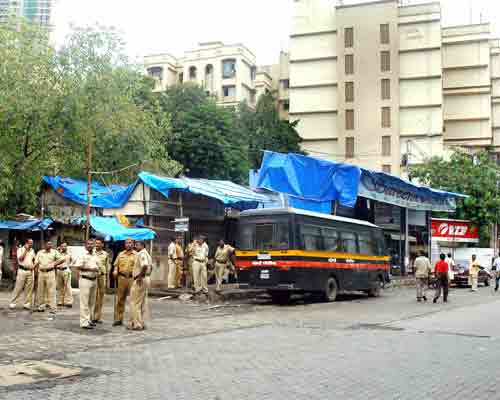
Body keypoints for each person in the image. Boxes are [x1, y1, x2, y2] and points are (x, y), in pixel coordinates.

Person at [34, 241, 64, 318]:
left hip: (50, 273)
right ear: (44, 245)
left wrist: (54, 264)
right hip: (41, 272)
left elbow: (62, 259)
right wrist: (36, 272)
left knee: (51, 290)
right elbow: (36, 262)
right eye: (48, 244)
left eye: (50, 244)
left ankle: (53, 308)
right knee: (40, 290)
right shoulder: (40, 252)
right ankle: (41, 307)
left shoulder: (54, 252)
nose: (49, 245)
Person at [74, 239, 100, 329]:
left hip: (94, 280)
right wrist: (90, 269)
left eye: (92, 244)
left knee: (91, 302)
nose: (90, 245)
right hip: (85, 280)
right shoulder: (82, 255)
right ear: (85, 245)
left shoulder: (95, 255)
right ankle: (84, 322)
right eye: (88, 244)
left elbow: (98, 265)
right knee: (84, 302)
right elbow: (78, 266)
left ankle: (89, 320)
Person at [128, 241, 152, 330]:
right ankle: (142, 322)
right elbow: (151, 267)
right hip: (146, 278)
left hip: (140, 279)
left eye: (137, 245)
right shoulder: (147, 254)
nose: (135, 246)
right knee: (142, 302)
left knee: (135, 302)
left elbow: (145, 265)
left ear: (142, 245)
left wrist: (140, 276)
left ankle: (137, 324)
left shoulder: (141, 253)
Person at [112, 238, 137, 326]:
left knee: (133, 300)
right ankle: (119, 319)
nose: (128, 245)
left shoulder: (136, 255)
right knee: (120, 299)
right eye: (126, 243)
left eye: (130, 243)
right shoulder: (120, 254)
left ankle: (134, 320)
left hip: (132, 279)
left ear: (133, 244)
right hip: (121, 278)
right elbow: (116, 265)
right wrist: (115, 271)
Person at [9, 239, 36, 310]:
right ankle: (13, 303)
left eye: (32, 243)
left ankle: (26, 304)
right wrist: (26, 250)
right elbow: (20, 259)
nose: (31, 244)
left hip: (30, 271)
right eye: (30, 243)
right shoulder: (20, 249)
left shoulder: (32, 250)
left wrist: (34, 267)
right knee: (18, 287)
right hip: (22, 270)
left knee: (29, 289)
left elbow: (34, 259)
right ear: (26, 243)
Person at [93, 239, 110, 324]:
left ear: (102, 245)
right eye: (96, 243)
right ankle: (91, 316)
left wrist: (107, 281)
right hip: (92, 276)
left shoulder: (105, 254)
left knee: (100, 297)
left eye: (99, 243)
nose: (97, 244)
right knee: (93, 297)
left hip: (102, 276)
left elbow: (107, 267)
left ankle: (97, 317)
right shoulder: (91, 253)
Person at [56, 243, 73, 307]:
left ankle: (69, 302)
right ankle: (60, 301)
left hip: (66, 270)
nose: (63, 247)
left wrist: (69, 266)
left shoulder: (69, 254)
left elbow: (72, 260)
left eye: (65, 246)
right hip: (58, 270)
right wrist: (57, 250)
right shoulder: (57, 254)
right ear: (60, 247)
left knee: (68, 287)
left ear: (66, 247)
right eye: (62, 246)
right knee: (59, 287)